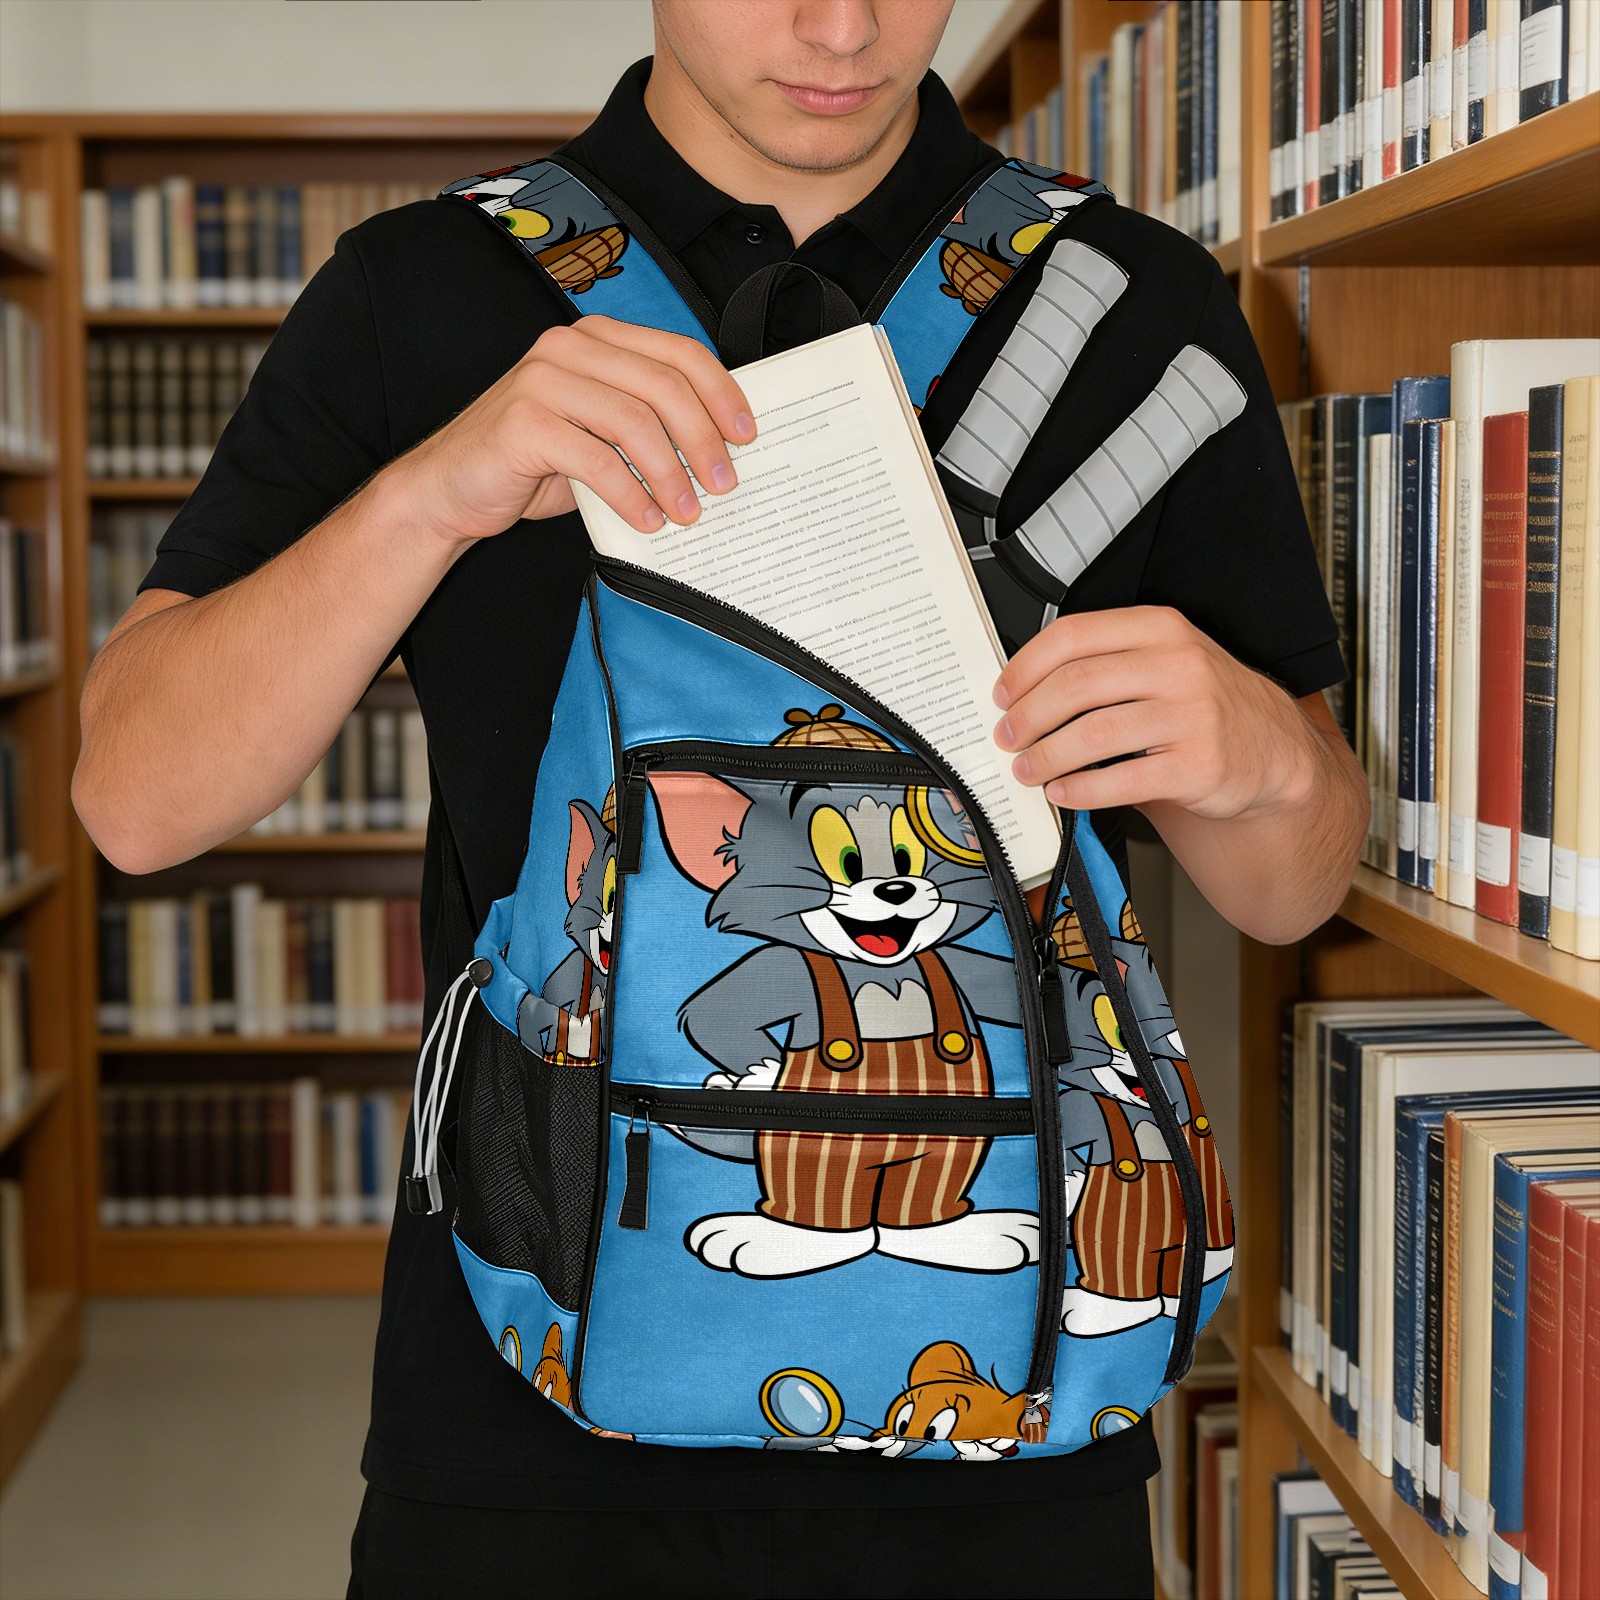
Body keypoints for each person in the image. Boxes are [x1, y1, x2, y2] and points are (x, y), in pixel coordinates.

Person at [70, 3, 1369, 1596]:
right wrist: (428, 498)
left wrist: (1266, 753)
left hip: (1015, 1414)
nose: (843, 26)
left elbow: (1292, 890)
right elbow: (135, 800)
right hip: (525, 1423)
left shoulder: (1133, 304)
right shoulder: (421, 292)